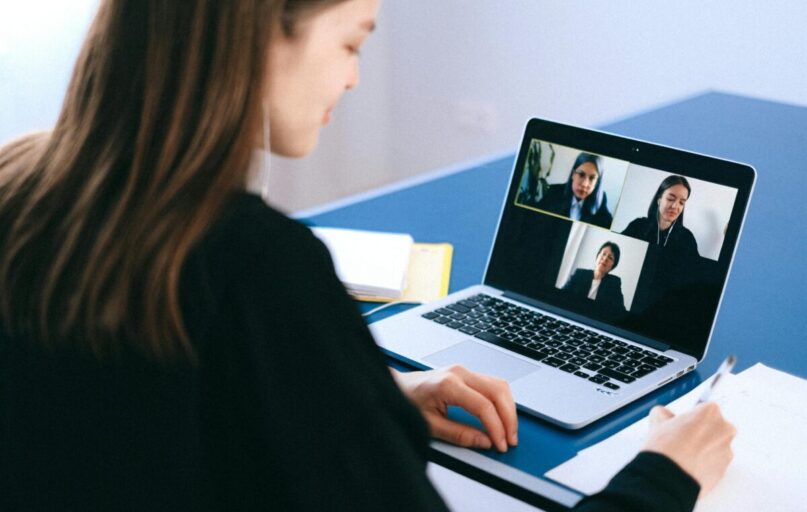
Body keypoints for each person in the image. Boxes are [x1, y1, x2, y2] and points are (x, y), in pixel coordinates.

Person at [0, 1, 735, 510]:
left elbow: (145, 409)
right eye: (351, 41)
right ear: (259, 32)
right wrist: (665, 475)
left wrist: (365, 398)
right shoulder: (259, 266)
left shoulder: (19, 183)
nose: (353, 77)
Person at [621, 175, 699, 258]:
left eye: (681, 203)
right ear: (659, 200)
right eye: (670, 199)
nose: (675, 206)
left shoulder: (687, 238)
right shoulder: (637, 226)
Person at [536, 152, 613, 228]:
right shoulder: (554, 192)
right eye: (581, 175)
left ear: (597, 182)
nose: (585, 184)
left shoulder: (600, 200)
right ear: (573, 174)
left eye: (592, 178)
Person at [563, 242, 626, 313]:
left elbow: (620, 311)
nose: (605, 259)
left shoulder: (614, 283)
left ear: (613, 266)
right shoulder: (580, 274)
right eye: (603, 254)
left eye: (610, 258)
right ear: (597, 256)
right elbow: (562, 295)